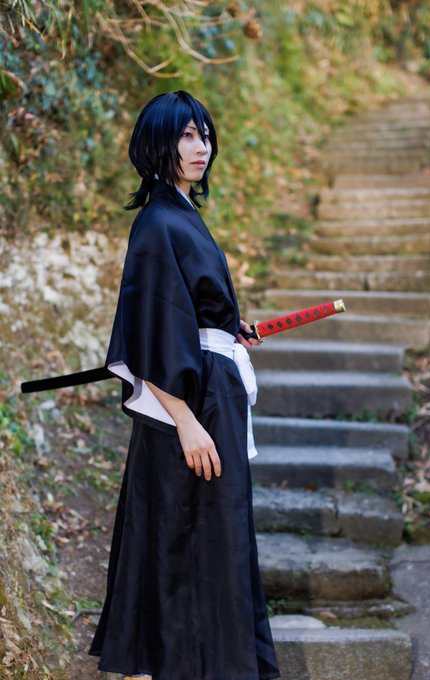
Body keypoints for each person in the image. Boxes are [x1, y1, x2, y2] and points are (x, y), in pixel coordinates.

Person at [87, 90, 281, 680]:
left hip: (211, 394)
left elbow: (189, 310)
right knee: (180, 532)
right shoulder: (157, 224)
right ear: (158, 143)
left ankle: (208, 664)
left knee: (211, 532)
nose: (203, 147)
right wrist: (188, 423)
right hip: (189, 407)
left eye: (206, 135)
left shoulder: (182, 215)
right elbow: (150, 331)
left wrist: (228, 326)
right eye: (188, 135)